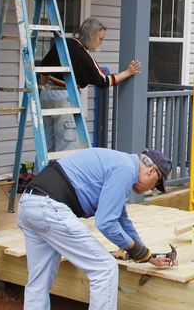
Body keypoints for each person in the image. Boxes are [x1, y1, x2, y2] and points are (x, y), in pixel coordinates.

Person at [17, 147, 175, 309]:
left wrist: (146, 254)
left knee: (39, 282)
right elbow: (106, 222)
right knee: (105, 269)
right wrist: (134, 248)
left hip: (29, 204)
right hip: (49, 208)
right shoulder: (126, 170)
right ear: (151, 170)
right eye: (157, 183)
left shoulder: (121, 163)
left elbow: (121, 218)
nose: (152, 189)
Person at [39, 17, 142, 152]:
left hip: (47, 93)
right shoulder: (82, 55)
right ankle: (61, 173)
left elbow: (43, 68)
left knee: (47, 141)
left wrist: (46, 88)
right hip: (65, 95)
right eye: (100, 38)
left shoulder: (63, 43)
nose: (100, 42)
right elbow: (104, 81)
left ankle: (40, 172)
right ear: (91, 36)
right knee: (67, 142)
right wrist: (128, 72)